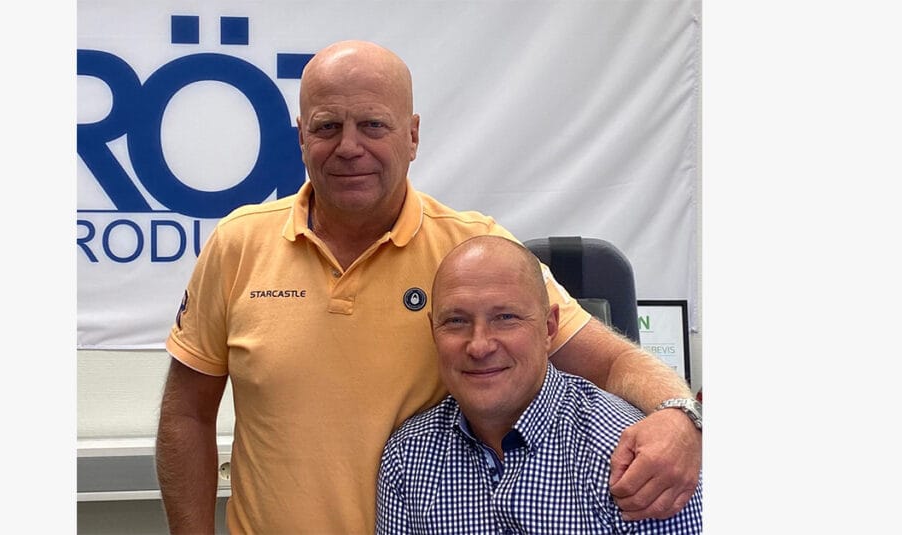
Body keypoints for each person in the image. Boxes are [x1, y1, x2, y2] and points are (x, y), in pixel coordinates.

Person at [155, 39, 702, 534]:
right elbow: (187, 415)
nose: (349, 146)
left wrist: (680, 417)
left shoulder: (472, 253)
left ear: (412, 135)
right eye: (327, 127)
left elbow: (612, 361)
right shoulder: (237, 245)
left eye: (373, 125)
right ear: (301, 137)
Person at [376, 235, 703, 533]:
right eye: (456, 321)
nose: (479, 346)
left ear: (549, 328)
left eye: (505, 318)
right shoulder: (407, 459)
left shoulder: (635, 457)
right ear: (433, 331)